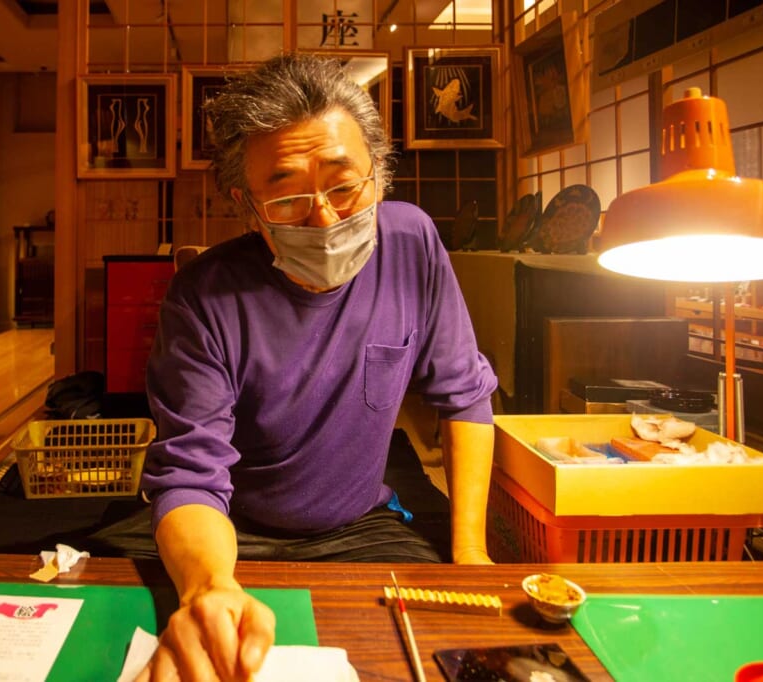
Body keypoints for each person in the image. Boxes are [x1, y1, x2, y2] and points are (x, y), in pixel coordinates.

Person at [112, 53, 498, 681]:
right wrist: (208, 586)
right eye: (288, 197)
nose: (324, 217)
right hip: (228, 524)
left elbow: (464, 396)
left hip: (359, 524)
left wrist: (472, 553)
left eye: (345, 186)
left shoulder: (413, 243)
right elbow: (190, 472)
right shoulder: (203, 296)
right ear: (247, 203)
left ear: (379, 173)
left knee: (434, 649)